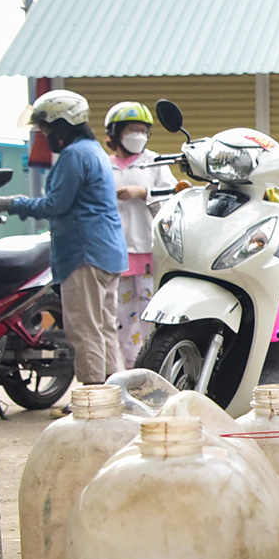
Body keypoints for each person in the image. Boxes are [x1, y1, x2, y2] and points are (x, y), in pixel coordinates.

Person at [0, 91, 129, 389]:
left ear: (62, 124)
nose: (44, 134)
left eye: (46, 128)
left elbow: (55, 205)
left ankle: (94, 396)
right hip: (107, 251)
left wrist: (14, 204)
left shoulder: (74, 156)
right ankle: (116, 392)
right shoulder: (93, 150)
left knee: (84, 329)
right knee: (104, 327)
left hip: (84, 252)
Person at [101, 102, 176, 369]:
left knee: (151, 313)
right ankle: (130, 367)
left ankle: (153, 366)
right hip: (117, 252)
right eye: (134, 129)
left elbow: (171, 199)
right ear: (117, 132)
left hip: (148, 250)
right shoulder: (104, 165)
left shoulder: (154, 163)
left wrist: (142, 193)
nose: (139, 135)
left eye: (144, 131)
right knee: (121, 317)